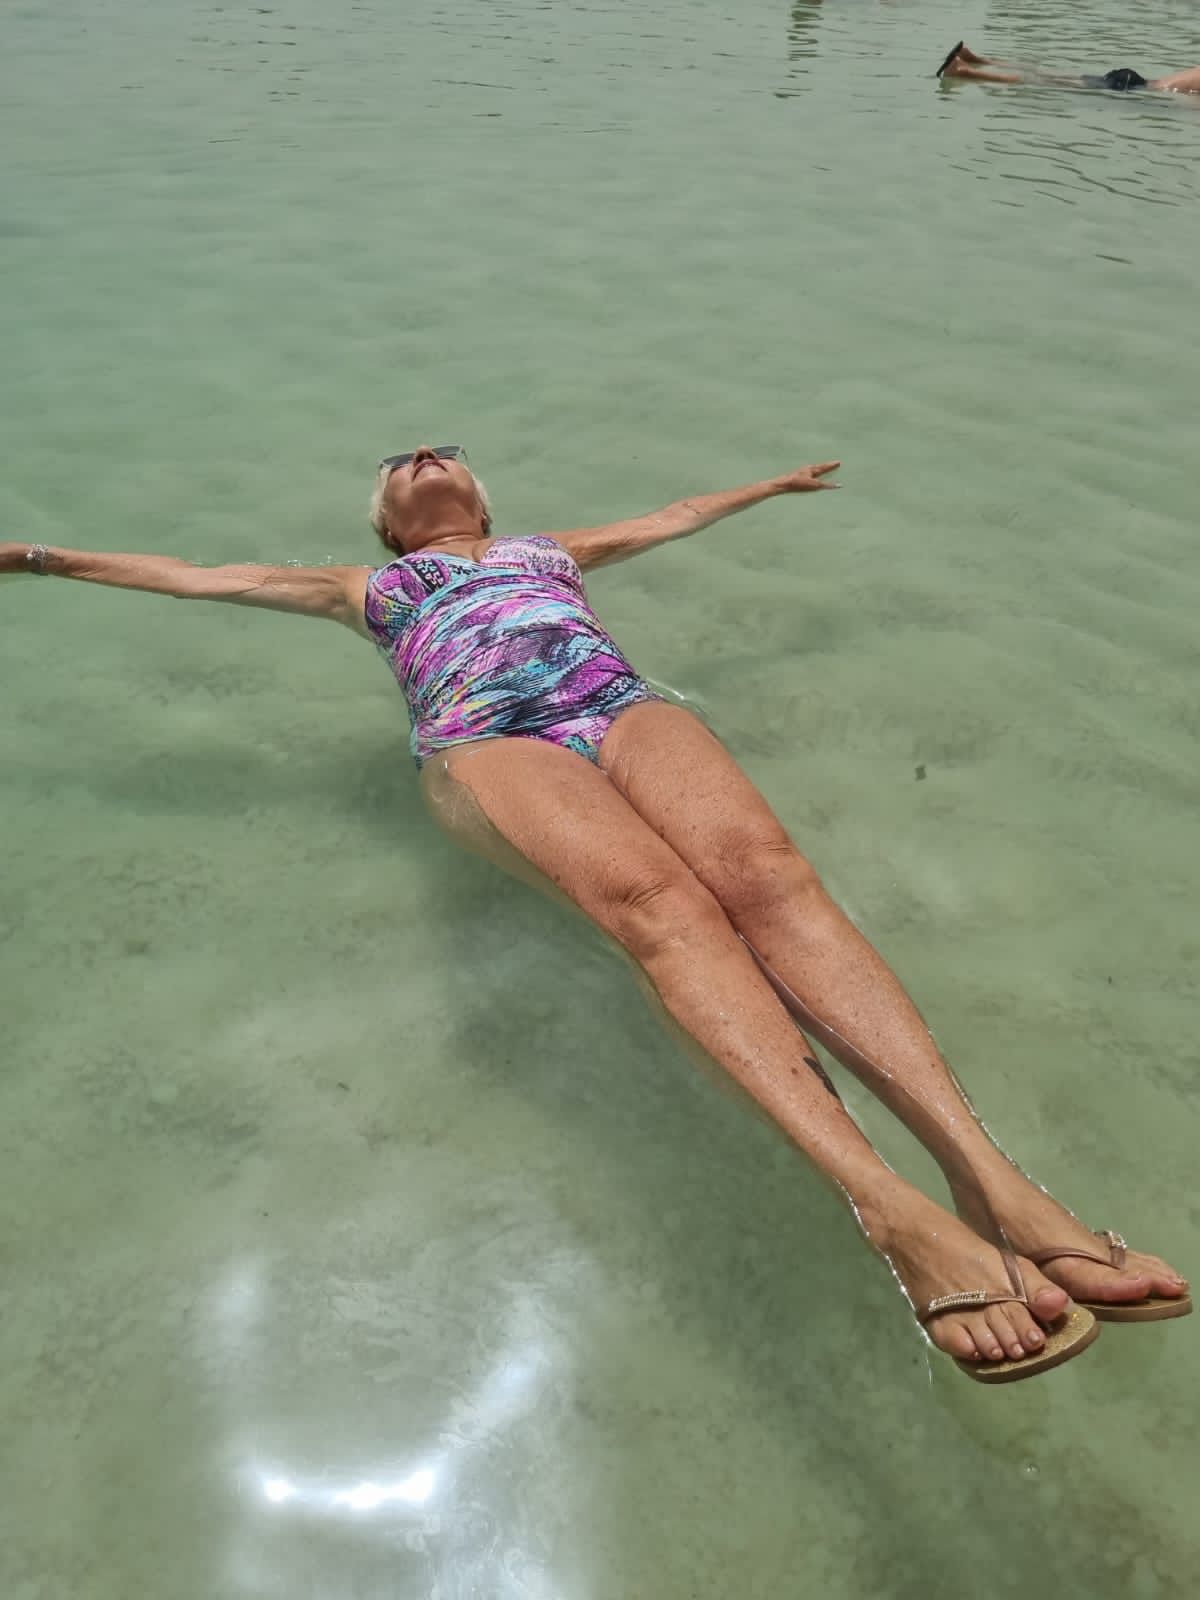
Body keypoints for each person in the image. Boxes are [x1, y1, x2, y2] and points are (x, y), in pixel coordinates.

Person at [4, 444, 1189, 1383]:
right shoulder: (367, 589)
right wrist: (42, 555)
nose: (424, 454)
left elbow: (674, 515)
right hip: (487, 739)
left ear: (479, 497)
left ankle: (989, 1179)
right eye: (400, 461)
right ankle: (889, 1209)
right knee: (660, 906)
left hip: (616, 705)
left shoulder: (545, 550)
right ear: (388, 525)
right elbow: (196, 576)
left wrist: (770, 485)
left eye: (442, 450)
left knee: (769, 878)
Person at [937, 39, 1200, 95]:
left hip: (1132, 79)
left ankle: (976, 59)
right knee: (1044, 82)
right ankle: (965, 71)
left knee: (1051, 75)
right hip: (1130, 87)